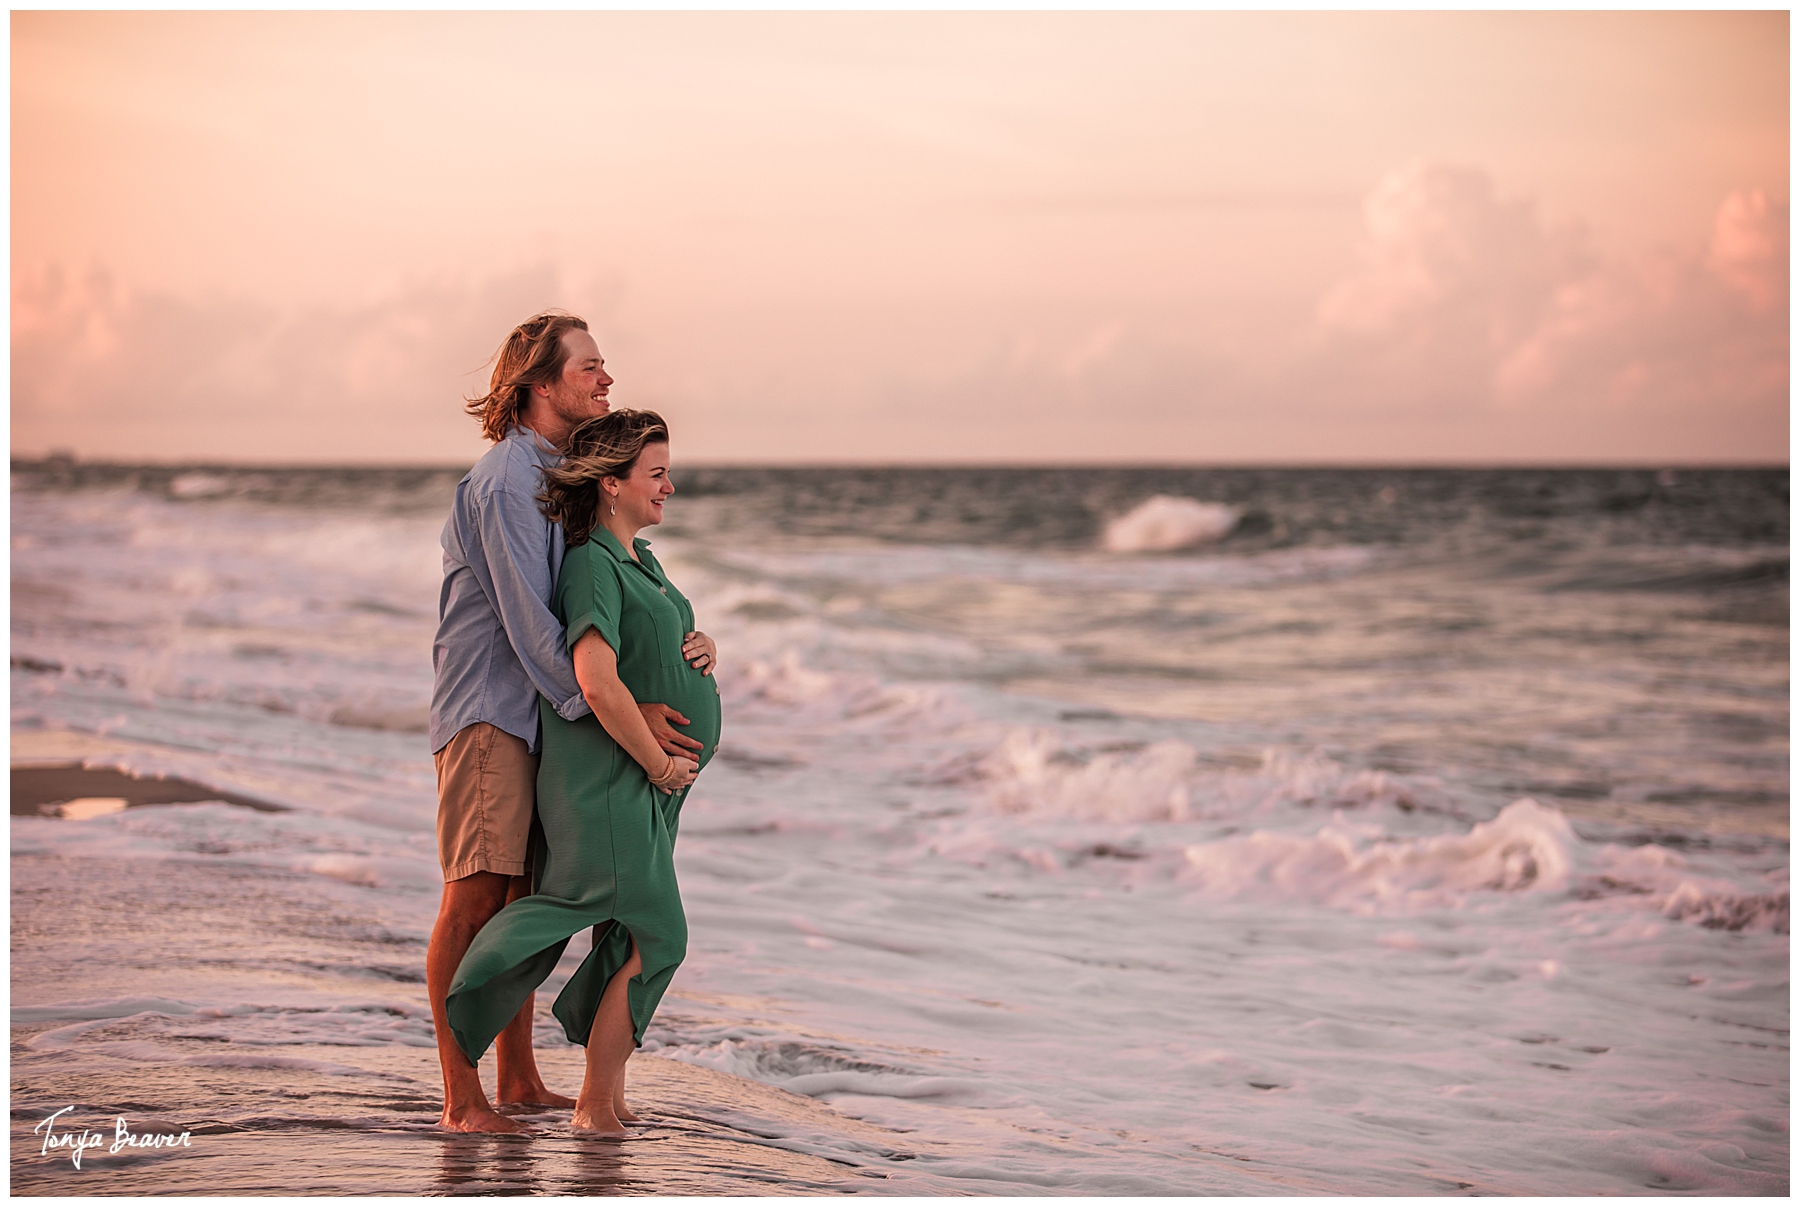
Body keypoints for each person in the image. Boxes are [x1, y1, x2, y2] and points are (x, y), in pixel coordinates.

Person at [427, 314, 710, 1134]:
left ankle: (515, 1077)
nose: (606, 379)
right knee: (476, 895)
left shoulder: (564, 476)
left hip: (548, 715)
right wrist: (620, 712)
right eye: (589, 367)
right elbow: (532, 627)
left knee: (526, 889)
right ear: (540, 385)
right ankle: (460, 1096)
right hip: (494, 712)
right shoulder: (506, 481)